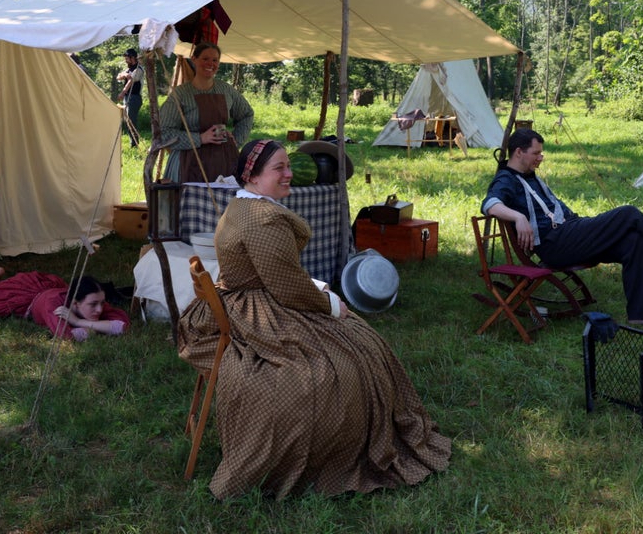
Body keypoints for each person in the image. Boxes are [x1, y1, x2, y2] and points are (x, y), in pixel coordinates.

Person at [176, 139, 450, 499]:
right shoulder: (262, 220)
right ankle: (341, 451)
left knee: (356, 343)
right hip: (259, 306)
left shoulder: (242, 208)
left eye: (289, 166)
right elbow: (287, 287)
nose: (289, 174)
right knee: (347, 355)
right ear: (253, 177)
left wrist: (317, 287)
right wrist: (332, 305)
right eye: (279, 168)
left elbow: (279, 272)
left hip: (241, 298)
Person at [481, 128, 643, 328]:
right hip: (556, 244)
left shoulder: (529, 175)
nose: (540, 157)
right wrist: (517, 217)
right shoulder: (507, 179)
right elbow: (490, 203)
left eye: (541, 153)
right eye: (536, 153)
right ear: (518, 152)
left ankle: (641, 313)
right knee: (628, 213)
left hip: (570, 231)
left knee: (634, 240)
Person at [0, 268, 130, 342]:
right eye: (93, 304)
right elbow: (66, 336)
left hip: (44, 288)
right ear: (76, 303)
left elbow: (122, 325)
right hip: (23, 296)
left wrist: (79, 321)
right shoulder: (55, 306)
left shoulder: (89, 306)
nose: (100, 310)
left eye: (102, 303)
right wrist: (93, 327)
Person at [159, 42, 254, 183]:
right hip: (187, 163)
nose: (210, 63)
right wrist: (201, 138)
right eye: (205, 59)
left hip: (224, 162)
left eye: (215, 60)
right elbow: (164, 133)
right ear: (194, 59)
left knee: (225, 203)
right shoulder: (180, 94)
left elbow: (246, 114)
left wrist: (236, 140)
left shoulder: (226, 90)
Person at [117, 48, 145, 147]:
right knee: (127, 120)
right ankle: (132, 142)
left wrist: (122, 92)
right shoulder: (129, 69)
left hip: (134, 98)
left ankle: (134, 143)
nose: (126, 60)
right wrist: (125, 74)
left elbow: (131, 81)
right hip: (128, 98)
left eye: (127, 58)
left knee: (131, 120)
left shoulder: (139, 69)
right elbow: (119, 76)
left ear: (132, 58)